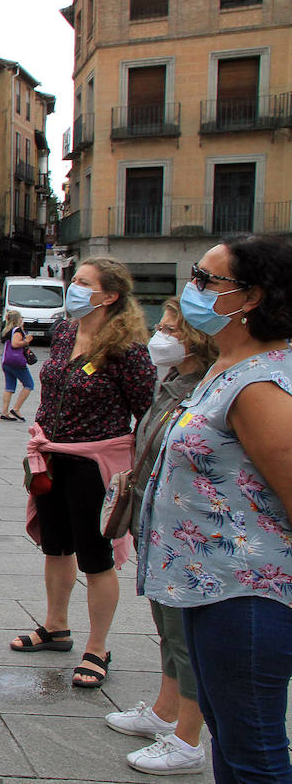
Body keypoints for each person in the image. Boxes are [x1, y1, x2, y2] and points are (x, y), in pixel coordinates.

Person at [137, 236, 292, 783]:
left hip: (247, 594)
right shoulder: (229, 365)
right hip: (211, 588)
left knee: (254, 751)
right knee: (232, 738)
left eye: (206, 280)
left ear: (249, 298)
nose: (191, 290)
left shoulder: (261, 384)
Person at [13, 257, 155, 690]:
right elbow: (51, 388)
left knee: (96, 557)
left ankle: (98, 647)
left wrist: (137, 474)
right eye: (73, 279)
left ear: (109, 296)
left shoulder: (127, 348)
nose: (72, 287)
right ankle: (56, 627)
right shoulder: (66, 332)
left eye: (82, 282)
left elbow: (145, 410)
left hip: (96, 465)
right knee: (55, 548)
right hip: (53, 457)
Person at [107, 296, 217, 776]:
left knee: (184, 635)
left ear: (198, 338)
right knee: (166, 628)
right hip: (158, 525)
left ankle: (188, 738)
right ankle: (165, 709)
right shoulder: (174, 384)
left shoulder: (208, 390)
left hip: (186, 535)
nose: (161, 331)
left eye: (172, 325)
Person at [0, 309, 35, 421]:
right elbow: (15, 344)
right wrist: (26, 341)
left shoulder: (7, 330)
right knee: (29, 384)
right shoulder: (17, 331)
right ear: (18, 319)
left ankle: (4, 412)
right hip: (17, 362)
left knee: (9, 387)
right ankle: (16, 408)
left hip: (7, 362)